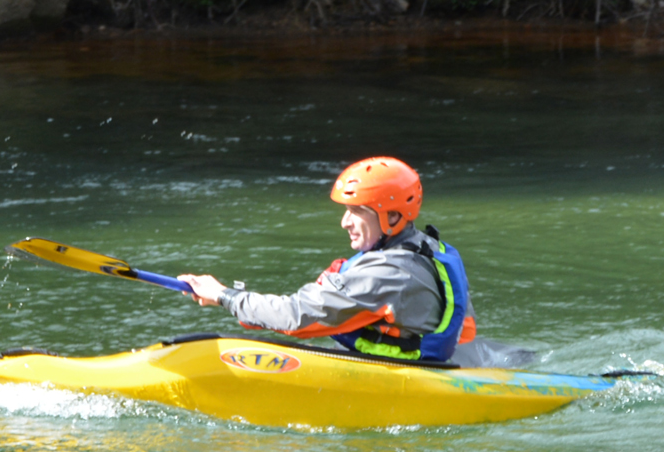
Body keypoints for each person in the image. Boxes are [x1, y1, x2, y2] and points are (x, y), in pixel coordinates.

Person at [180, 156, 477, 363]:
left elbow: (295, 316)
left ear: (393, 217)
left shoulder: (389, 274)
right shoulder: (426, 246)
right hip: (417, 364)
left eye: (357, 211)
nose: (344, 222)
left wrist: (224, 295)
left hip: (404, 377)